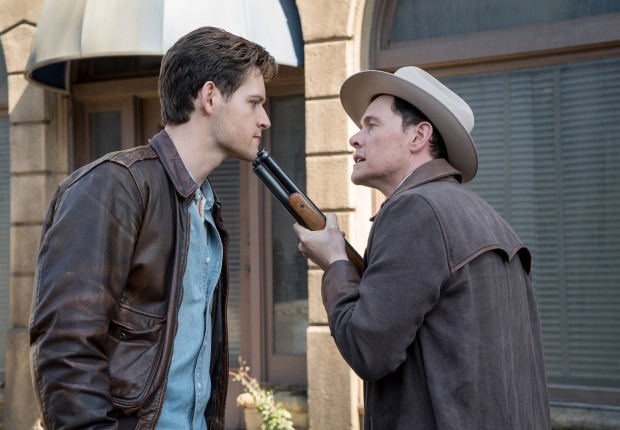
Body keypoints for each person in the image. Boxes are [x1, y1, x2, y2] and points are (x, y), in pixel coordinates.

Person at [29, 26, 277, 430]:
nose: (264, 119)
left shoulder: (206, 207)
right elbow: (65, 349)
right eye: (254, 103)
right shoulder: (110, 187)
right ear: (210, 96)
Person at [293, 66, 551, 429]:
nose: (355, 138)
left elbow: (367, 349)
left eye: (371, 125)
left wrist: (335, 262)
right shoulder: (485, 216)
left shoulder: (416, 210)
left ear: (418, 136)